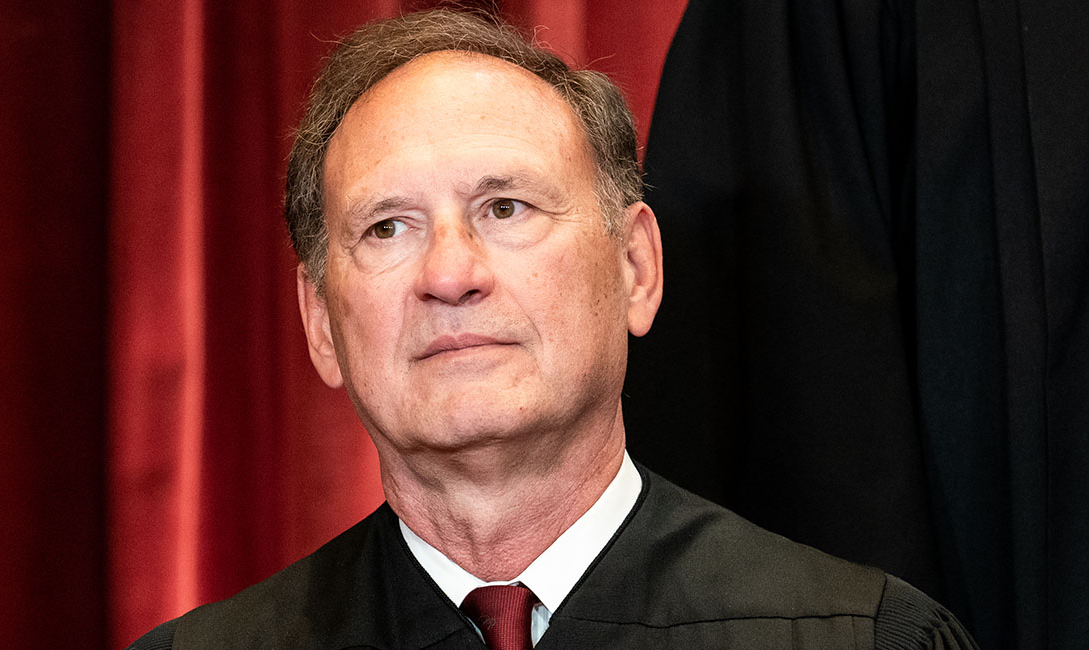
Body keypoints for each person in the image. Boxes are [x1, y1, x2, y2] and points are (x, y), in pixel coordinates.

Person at [127, 9, 977, 650]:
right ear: (320, 321)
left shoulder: (861, 638)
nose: (449, 273)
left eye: (505, 207)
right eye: (388, 226)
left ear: (636, 267)